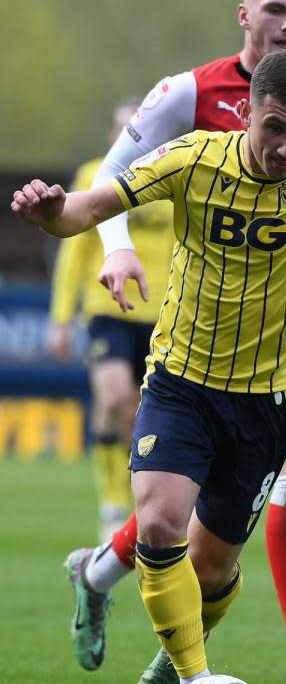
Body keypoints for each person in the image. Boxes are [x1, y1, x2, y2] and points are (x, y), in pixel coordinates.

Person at [12, 50, 286, 684]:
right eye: (276, 128)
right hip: (180, 381)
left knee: (213, 570)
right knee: (159, 524)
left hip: (266, 401)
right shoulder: (194, 159)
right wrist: (49, 213)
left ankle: (148, 629)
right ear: (248, 113)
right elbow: (86, 210)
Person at [62, 0, 286, 684]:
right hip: (192, 333)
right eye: (275, 9)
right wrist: (114, 246)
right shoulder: (186, 94)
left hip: (273, 344)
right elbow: (113, 177)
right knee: (280, 471)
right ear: (244, 15)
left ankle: (103, 581)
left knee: (207, 531)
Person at [48, 99, 174, 543]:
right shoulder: (92, 176)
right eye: (124, 129)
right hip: (106, 308)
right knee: (114, 395)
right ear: (112, 135)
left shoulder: (169, 177)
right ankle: (112, 505)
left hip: (162, 312)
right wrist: (60, 318)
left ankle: (137, 508)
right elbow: (73, 252)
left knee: (140, 416)